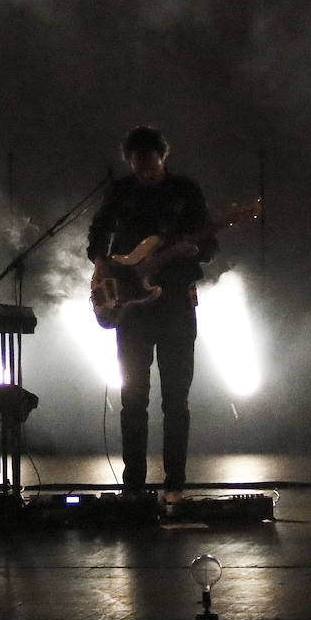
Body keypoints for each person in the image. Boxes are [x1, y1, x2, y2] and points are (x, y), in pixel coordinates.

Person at [87, 127, 217, 507]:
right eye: (136, 163)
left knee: (176, 401)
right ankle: (133, 486)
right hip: (131, 308)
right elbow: (98, 233)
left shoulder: (185, 192)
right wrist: (101, 263)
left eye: (149, 161)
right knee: (133, 400)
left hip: (176, 303)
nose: (143, 169)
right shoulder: (121, 192)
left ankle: (175, 482)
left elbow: (210, 245)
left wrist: (194, 250)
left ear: (163, 157)